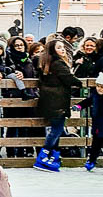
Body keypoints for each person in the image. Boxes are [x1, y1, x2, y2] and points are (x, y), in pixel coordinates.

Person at [34, 38, 82, 172]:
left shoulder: (47, 63)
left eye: (63, 47)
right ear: (53, 51)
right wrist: (79, 83)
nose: (63, 50)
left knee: (56, 129)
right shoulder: (58, 63)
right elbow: (69, 79)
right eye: (59, 47)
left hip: (50, 100)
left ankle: (53, 157)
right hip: (57, 101)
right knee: (56, 130)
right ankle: (44, 156)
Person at [4, 36, 37, 158]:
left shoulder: (28, 60)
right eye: (16, 45)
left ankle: (24, 150)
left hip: (28, 95)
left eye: (21, 45)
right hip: (13, 96)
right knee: (12, 125)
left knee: (25, 125)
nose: (19, 47)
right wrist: (14, 72)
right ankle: (11, 151)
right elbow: (5, 71)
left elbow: (33, 75)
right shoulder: (8, 59)